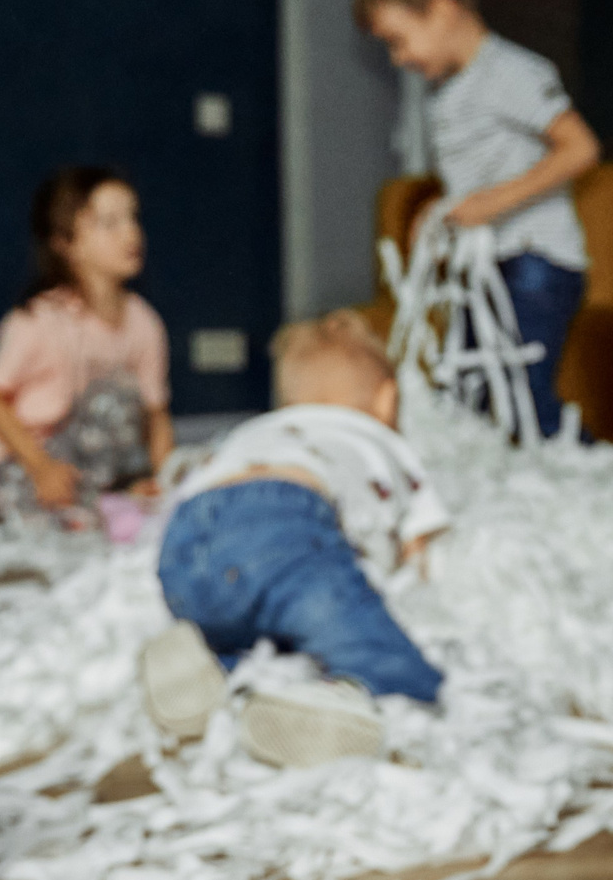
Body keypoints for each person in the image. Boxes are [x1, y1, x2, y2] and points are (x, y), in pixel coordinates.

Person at [138, 311, 449, 769]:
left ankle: (206, 666)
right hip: (284, 521)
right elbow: (418, 544)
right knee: (381, 655)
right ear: (387, 400)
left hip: (185, 537)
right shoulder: (379, 441)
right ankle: (340, 705)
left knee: (250, 618)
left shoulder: (256, 432)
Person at [354, 0, 600, 436]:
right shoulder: (447, 94)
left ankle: (588, 472)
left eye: (398, 41)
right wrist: (445, 209)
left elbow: (580, 148)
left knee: (521, 395)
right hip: (488, 266)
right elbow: (482, 174)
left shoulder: (510, 73)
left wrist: (491, 204)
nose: (398, 59)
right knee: (469, 386)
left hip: (537, 261)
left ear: (442, 11)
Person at [0, 167, 173, 527]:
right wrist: (41, 468)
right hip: (23, 457)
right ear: (65, 242)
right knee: (28, 513)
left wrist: (165, 482)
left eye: (133, 218)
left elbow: (156, 414)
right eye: (109, 222)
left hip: (90, 463)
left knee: (117, 404)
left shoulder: (144, 322)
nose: (131, 232)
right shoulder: (36, 319)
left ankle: (94, 498)